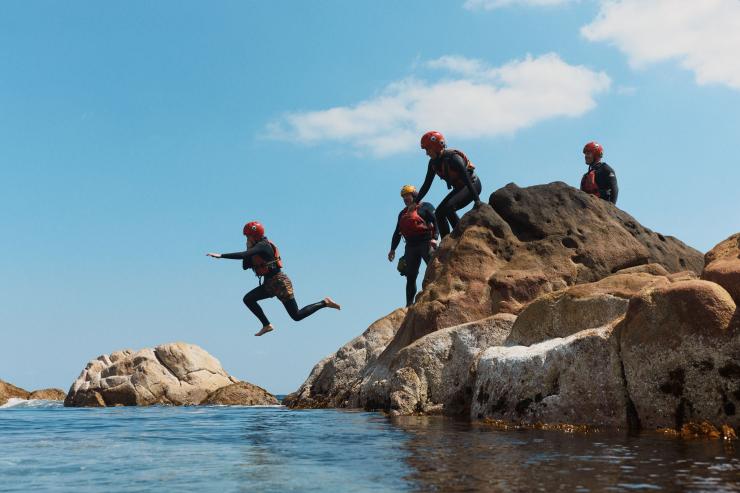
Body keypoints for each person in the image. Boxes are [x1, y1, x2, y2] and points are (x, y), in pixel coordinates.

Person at [207, 221, 340, 336]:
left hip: (280, 282)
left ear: (254, 236)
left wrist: (221, 255)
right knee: (248, 299)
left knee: (296, 316)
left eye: (248, 236)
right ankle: (267, 325)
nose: (246, 238)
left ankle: (325, 302)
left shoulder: (263, 245)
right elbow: (245, 265)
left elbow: (243, 255)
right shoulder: (254, 248)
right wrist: (248, 247)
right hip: (269, 285)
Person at [415, 131, 482, 238]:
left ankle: (461, 235)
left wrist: (477, 201)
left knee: (448, 208)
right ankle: (446, 241)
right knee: (439, 213)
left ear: (436, 147)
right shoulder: (433, 163)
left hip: (472, 185)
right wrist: (415, 202)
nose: (427, 153)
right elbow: (426, 185)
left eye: (428, 149)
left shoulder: (453, 158)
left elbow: (467, 179)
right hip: (460, 188)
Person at [388, 185, 439, 307]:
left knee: (433, 269)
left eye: (407, 196)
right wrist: (392, 249)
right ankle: (409, 305)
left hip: (425, 242)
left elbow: (436, 221)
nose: (405, 199)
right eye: (403, 197)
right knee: (411, 276)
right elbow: (397, 232)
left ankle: (437, 295)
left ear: (415, 195)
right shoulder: (403, 214)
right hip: (411, 246)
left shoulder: (426, 207)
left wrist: (435, 238)